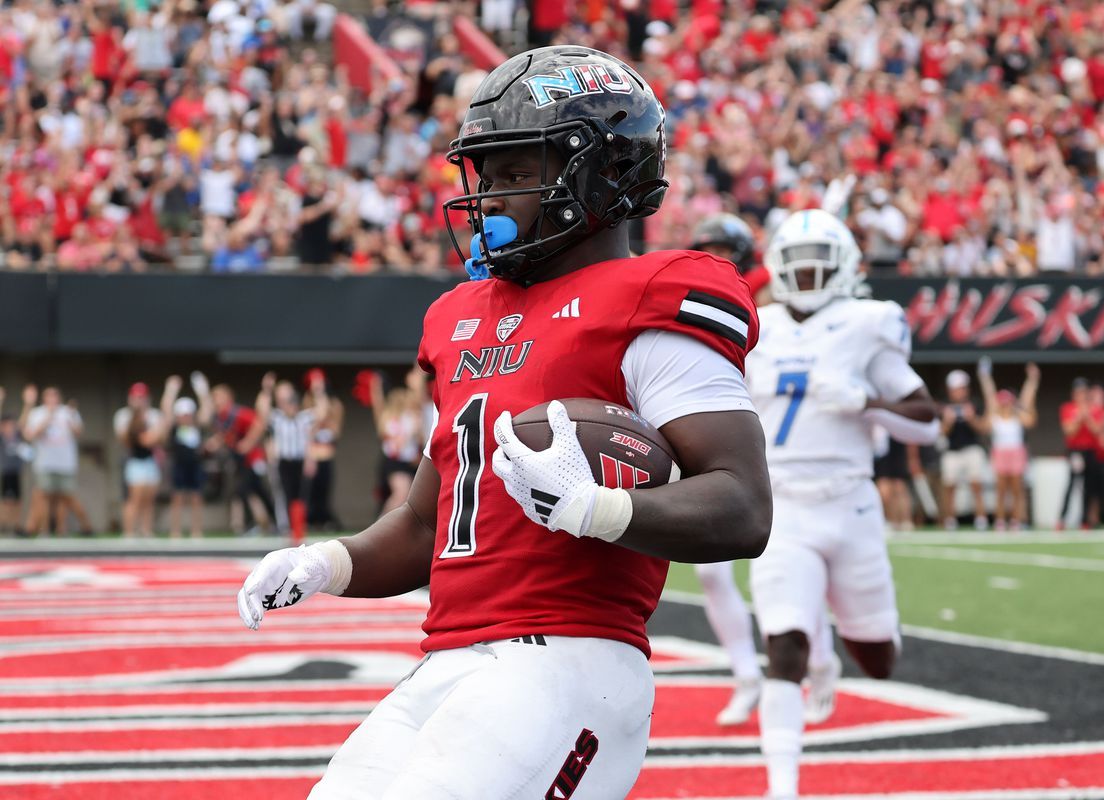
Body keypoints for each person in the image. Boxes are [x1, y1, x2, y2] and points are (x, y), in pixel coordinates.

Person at [237, 46, 771, 799]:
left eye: (517, 171)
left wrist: (597, 509)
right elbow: (428, 524)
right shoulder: (461, 319)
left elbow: (742, 504)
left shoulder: (651, 295)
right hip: (446, 661)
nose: (488, 195)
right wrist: (328, 563)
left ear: (602, 173)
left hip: (569, 660)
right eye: (484, 173)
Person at [746, 208, 939, 799]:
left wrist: (866, 403)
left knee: (878, 659)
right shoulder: (755, 326)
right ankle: (783, 786)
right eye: (796, 267)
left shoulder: (866, 324)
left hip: (850, 503)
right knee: (784, 643)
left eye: (817, 267)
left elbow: (926, 423)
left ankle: (834, 639)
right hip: (781, 504)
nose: (805, 277)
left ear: (845, 269)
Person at [686, 211, 771, 725]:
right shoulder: (690, 308)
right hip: (721, 449)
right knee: (712, 573)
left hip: (782, 452)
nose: (716, 261)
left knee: (782, 574)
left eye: (725, 251)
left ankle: (817, 665)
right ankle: (746, 675)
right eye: (707, 249)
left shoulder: (772, 303)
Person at [20, 385, 93, 537]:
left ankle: (62, 529)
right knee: (43, 497)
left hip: (66, 463)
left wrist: (72, 417)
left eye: (55, 396)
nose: (52, 399)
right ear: (44, 399)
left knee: (65, 497)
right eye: (49, 396)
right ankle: (44, 530)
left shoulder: (68, 412)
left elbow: (79, 432)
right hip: (44, 462)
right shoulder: (38, 413)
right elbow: (29, 435)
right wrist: (48, 417)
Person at [977, 360, 1040, 530]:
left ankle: (1016, 520)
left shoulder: (1018, 416)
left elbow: (1028, 403)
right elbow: (988, 395)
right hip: (1000, 453)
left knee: (1017, 489)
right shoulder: (994, 416)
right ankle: (1000, 520)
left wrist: (1032, 380)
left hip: (1016, 453)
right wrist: (984, 376)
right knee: (1001, 489)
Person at [210, 383, 274, 535]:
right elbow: (227, 435)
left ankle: (252, 524)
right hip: (239, 460)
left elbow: (259, 424)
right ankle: (272, 523)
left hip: (252, 458)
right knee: (256, 490)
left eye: (219, 396)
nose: (216, 400)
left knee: (244, 490)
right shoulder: (220, 417)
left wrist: (247, 443)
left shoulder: (238, 412)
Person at [256, 372, 317, 529]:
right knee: (283, 494)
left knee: (300, 496)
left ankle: (298, 527)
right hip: (283, 461)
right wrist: (266, 390)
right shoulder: (278, 418)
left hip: (299, 460)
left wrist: (318, 390)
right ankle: (284, 525)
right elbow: (262, 409)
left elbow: (322, 412)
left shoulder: (304, 418)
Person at [114, 381, 171, 538]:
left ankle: (146, 530)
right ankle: (129, 532)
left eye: (142, 397)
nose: (139, 401)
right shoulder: (123, 415)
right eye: (136, 397)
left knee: (149, 500)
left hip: (150, 460)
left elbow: (161, 438)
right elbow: (131, 439)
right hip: (133, 460)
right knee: (133, 499)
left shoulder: (153, 415)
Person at [166, 372, 215, 539]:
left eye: (188, 414)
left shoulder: (197, 426)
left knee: (196, 498)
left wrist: (202, 389)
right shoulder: (174, 427)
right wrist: (171, 390)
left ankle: (196, 530)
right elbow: (166, 409)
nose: (185, 418)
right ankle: (175, 530)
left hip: (195, 465)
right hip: (179, 465)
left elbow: (207, 411)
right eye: (182, 415)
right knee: (177, 498)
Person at [939, 369, 989, 530]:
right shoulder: (944, 406)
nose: (958, 392)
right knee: (949, 486)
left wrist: (972, 418)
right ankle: (950, 520)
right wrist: (948, 422)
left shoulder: (974, 404)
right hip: (952, 450)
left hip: (972, 448)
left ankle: (981, 519)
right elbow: (942, 432)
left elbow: (983, 428)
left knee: (976, 484)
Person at [370, 370, 425, 514]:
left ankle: (393, 530)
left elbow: (418, 396)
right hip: (394, 461)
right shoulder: (388, 418)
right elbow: (378, 405)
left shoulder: (412, 416)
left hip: (410, 461)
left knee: (409, 498)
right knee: (401, 493)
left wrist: (418, 375)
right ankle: (380, 527)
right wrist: (376, 389)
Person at [1058, 377, 1104, 530]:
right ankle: (1062, 519)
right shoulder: (1068, 408)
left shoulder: (1096, 409)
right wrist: (1079, 416)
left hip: (1091, 451)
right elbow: (1068, 431)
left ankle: (1085, 520)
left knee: (1089, 487)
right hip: (1076, 451)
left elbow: (1097, 430)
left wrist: (1087, 415)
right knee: (1072, 484)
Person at [691, 213, 773, 306]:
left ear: (741, 253)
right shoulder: (694, 284)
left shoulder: (758, 283)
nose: (711, 257)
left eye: (720, 251)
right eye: (704, 252)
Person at [303, 369, 341, 531]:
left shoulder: (335, 404)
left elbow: (335, 430)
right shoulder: (306, 402)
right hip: (312, 454)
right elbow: (307, 429)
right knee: (311, 492)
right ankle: (310, 520)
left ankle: (325, 520)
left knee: (324, 490)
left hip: (326, 453)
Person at [0, 387, 30, 535]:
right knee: (7, 501)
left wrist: (28, 403)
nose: (10, 427)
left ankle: (17, 527)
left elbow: (23, 421)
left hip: (16, 472)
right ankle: (5, 525)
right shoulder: (2, 437)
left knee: (18, 501)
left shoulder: (17, 436)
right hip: (6, 472)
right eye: (7, 424)